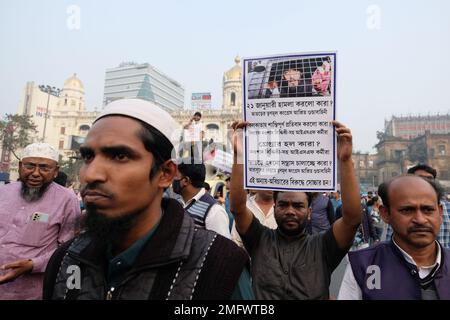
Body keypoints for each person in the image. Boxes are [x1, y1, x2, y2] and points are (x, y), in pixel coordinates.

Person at [43, 99, 251, 300]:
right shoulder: (65, 260)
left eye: (119, 156)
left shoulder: (219, 266)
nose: (91, 174)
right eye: (88, 157)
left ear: (166, 174)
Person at [230, 120, 361, 299]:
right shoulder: (259, 239)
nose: (290, 211)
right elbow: (238, 208)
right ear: (275, 207)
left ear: (309, 212)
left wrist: (345, 161)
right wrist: (239, 156)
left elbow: (352, 219)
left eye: (298, 206)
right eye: (283, 205)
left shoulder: (323, 246)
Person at [338, 175, 450, 299]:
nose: (420, 219)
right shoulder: (364, 266)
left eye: (428, 210)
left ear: (440, 212)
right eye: (407, 210)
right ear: (385, 214)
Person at [0, 143, 81, 299]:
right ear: (19, 166)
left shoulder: (66, 200)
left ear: (56, 171)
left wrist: (33, 264)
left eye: (44, 168)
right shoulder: (3, 192)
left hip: (31, 292)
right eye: (29, 166)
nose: (35, 173)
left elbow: (70, 248)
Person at [385, 163, 450, 248]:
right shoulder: (399, 209)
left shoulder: (448, 207)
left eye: (430, 179)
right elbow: (391, 241)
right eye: (420, 178)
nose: (420, 220)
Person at [173, 161, 232, 239]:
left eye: (176, 176)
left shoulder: (214, 211)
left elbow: (222, 248)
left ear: (185, 181)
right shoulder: (178, 202)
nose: (172, 179)